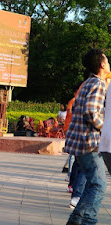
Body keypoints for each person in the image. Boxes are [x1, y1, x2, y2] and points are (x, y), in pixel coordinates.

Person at [64, 49, 109, 225]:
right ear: (102, 64)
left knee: (92, 184)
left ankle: (75, 221)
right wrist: (105, 128)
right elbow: (91, 112)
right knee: (99, 186)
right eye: (107, 60)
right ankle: (88, 221)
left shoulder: (88, 82)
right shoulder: (98, 84)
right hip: (89, 144)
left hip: (79, 143)